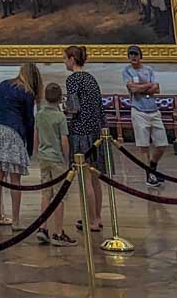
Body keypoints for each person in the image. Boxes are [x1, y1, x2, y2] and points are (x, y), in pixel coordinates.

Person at [0, 62, 41, 230]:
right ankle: (16, 221)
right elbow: (29, 122)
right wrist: (29, 148)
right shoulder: (27, 92)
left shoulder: (3, 84)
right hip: (12, 131)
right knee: (15, 180)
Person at [64, 45, 105, 232]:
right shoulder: (91, 78)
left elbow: (74, 108)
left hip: (81, 131)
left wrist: (64, 111)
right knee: (95, 177)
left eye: (65, 58)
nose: (64, 62)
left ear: (72, 59)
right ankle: (96, 217)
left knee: (86, 178)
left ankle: (91, 219)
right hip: (95, 130)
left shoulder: (73, 79)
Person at [35, 82, 76, 246]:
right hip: (57, 158)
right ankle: (58, 232)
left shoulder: (40, 114)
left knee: (46, 193)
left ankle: (42, 228)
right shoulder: (60, 117)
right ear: (60, 99)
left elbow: (36, 135)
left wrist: (37, 152)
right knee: (59, 196)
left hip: (43, 157)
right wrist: (68, 158)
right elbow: (64, 140)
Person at [123, 45, 167, 187]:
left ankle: (153, 166)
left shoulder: (148, 70)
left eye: (135, 54)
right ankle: (149, 175)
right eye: (131, 55)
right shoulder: (126, 71)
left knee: (161, 144)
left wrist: (143, 87)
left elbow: (157, 88)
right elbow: (133, 89)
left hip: (153, 110)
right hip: (139, 110)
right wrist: (148, 86)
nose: (133, 57)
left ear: (140, 56)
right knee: (143, 145)